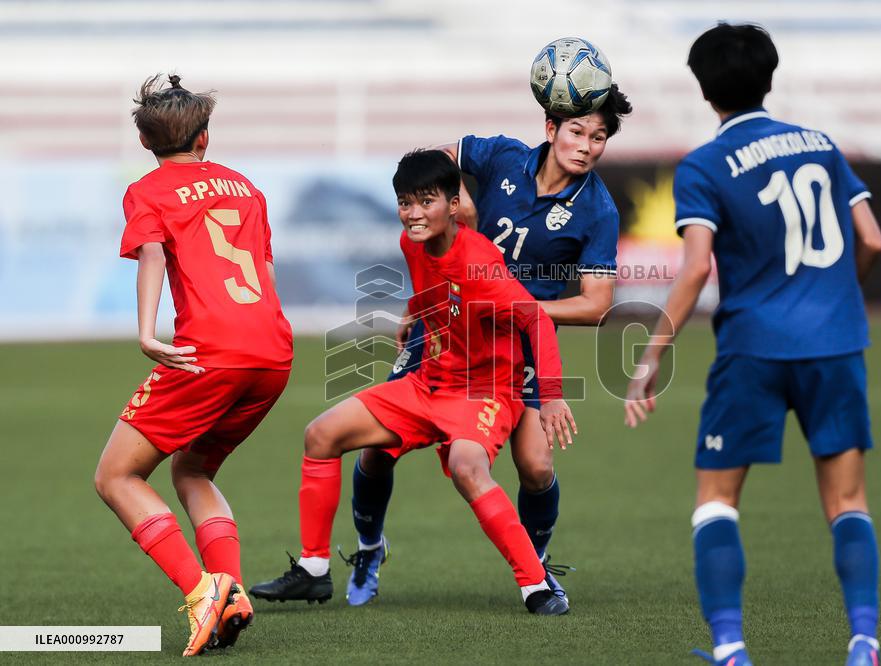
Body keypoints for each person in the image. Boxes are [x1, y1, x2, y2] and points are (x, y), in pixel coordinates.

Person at [283, 83, 632, 609]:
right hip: (442, 328)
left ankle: (535, 568)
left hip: (517, 343)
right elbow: (436, 163)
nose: (586, 145)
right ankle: (369, 548)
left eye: (598, 137)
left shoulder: (598, 209)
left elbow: (598, 305)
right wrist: (457, 203)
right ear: (551, 129)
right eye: (577, 132)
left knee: (536, 466)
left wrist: (519, 308)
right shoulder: (504, 156)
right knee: (376, 450)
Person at [623, 24, 881, 666]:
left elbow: (693, 271)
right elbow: (871, 239)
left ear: (704, 89)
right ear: (770, 77)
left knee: (716, 500)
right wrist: (829, 300)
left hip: (754, 348)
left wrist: (651, 355)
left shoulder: (705, 165)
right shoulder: (821, 145)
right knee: (848, 500)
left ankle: (732, 649)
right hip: (835, 344)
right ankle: (864, 643)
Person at [251, 149, 577, 615]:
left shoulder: (479, 261)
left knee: (468, 466)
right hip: (428, 383)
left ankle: (537, 586)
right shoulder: (413, 244)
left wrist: (550, 397)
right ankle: (314, 570)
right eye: (406, 202)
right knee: (320, 434)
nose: (415, 213)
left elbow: (536, 321)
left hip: (484, 391)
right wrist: (413, 312)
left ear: (452, 203)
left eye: (427, 201)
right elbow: (431, 287)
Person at [93, 74, 294, 657]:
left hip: (210, 354)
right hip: (273, 352)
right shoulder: (246, 189)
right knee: (194, 471)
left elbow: (151, 254)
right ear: (205, 137)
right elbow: (266, 275)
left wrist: (146, 332)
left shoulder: (148, 191)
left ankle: (202, 592)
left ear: (145, 141)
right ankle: (229, 593)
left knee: (115, 476)